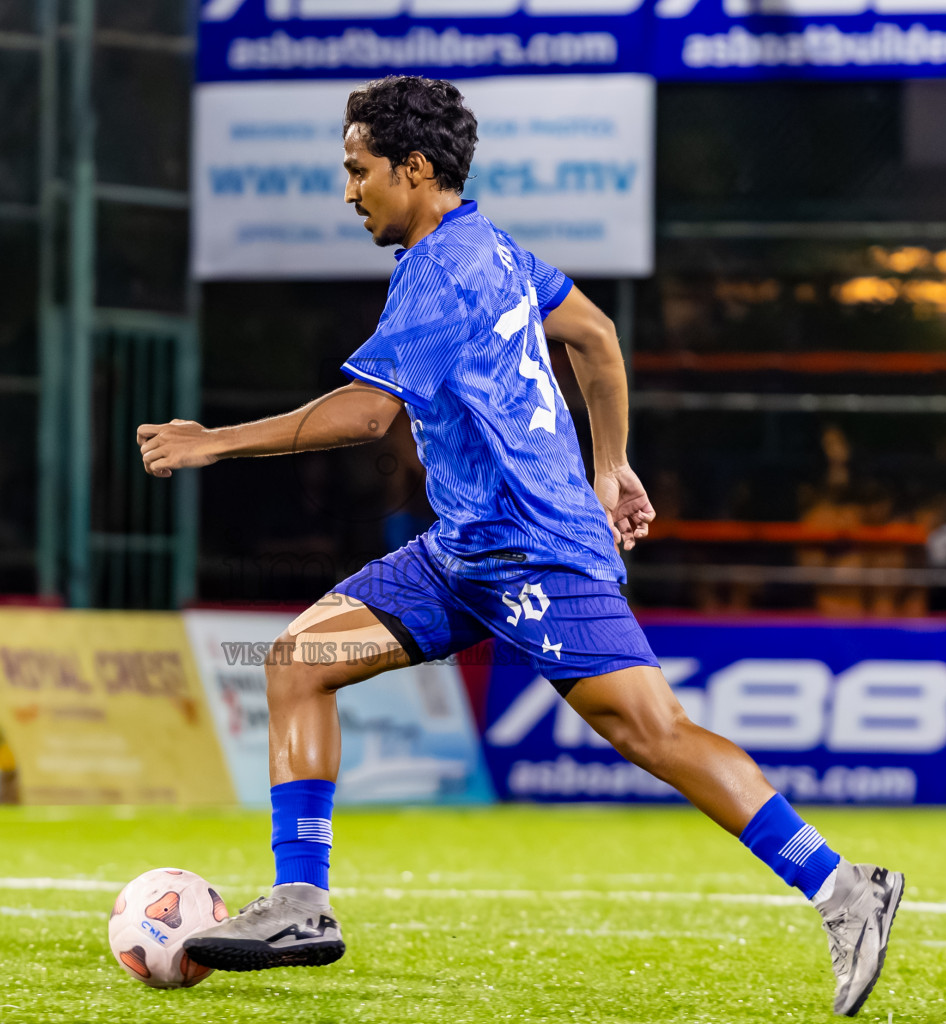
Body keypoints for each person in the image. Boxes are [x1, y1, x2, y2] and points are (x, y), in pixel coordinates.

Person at [137, 76, 901, 1017]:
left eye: (358, 169)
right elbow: (597, 336)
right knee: (299, 660)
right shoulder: (493, 246)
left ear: (413, 169)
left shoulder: (440, 270)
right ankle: (300, 901)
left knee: (649, 731)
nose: (349, 191)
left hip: (535, 549)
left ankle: (842, 889)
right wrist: (611, 464)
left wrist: (215, 441)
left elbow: (369, 413)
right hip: (464, 551)